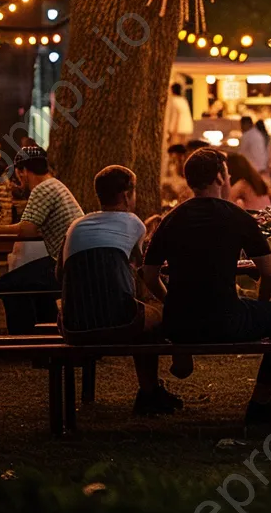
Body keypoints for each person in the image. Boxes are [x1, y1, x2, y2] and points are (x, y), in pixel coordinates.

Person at [142, 147, 271, 431]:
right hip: (225, 319)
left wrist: (170, 302)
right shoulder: (235, 216)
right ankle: (267, 402)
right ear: (218, 176)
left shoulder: (172, 218)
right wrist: (261, 305)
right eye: (227, 173)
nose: (229, 178)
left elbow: (150, 274)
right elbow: (270, 274)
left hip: (179, 322)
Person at [59, 165, 182, 415]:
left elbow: (59, 275)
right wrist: (172, 304)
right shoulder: (134, 224)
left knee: (140, 315)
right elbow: (143, 272)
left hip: (73, 324)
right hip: (117, 319)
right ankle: (150, 392)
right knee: (155, 317)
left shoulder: (76, 226)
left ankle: (151, 392)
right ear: (127, 194)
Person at [0, 146, 84, 333]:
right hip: (73, 261)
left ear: (23, 172)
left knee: (7, 284)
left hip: (64, 265)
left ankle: (24, 338)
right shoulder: (55, 184)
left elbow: (27, 230)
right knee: (31, 279)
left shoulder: (42, 189)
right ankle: (45, 333)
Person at [164, 82, 194, 148]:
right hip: (187, 126)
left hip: (178, 127)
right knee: (183, 147)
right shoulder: (183, 100)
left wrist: (174, 129)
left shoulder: (174, 100)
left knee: (174, 146)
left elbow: (177, 115)